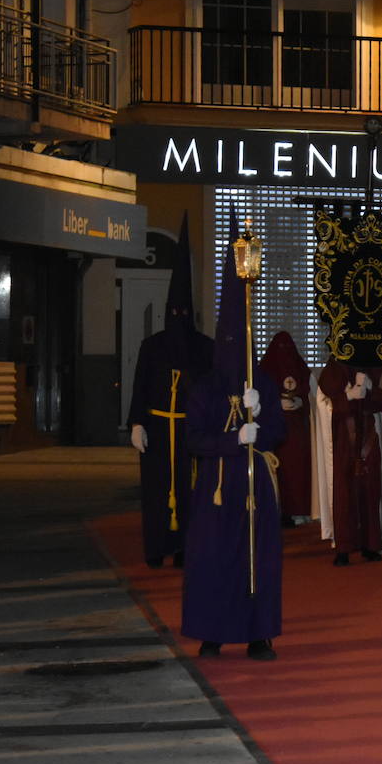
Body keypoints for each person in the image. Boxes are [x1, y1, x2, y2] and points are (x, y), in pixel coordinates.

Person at [181, 214, 285, 661]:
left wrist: (261, 417)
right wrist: (233, 438)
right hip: (217, 488)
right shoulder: (203, 387)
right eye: (225, 342)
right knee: (213, 557)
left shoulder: (260, 379)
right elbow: (195, 439)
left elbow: (279, 434)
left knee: (256, 556)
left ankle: (258, 632)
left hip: (255, 486)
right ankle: (213, 630)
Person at [128, 215, 214, 567]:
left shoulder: (204, 348)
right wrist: (136, 423)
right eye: (173, 311)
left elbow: (211, 388)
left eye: (183, 311)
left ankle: (184, 548)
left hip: (190, 433)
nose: (177, 316)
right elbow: (141, 386)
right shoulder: (153, 346)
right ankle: (157, 547)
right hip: (159, 430)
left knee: (189, 491)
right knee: (157, 490)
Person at [317, 359, 382, 566]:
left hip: (368, 437)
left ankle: (370, 544)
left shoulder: (371, 365)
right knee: (343, 493)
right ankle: (344, 548)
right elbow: (325, 404)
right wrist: (348, 396)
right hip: (343, 440)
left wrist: (371, 389)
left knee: (370, 491)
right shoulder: (333, 369)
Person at [259, 331, 312, 524]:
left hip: (298, 431)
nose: (285, 352)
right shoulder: (265, 369)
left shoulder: (300, 367)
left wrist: (300, 402)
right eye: (281, 348)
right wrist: (276, 404)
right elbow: (259, 397)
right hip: (275, 432)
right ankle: (279, 511)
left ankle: (300, 509)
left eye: (287, 348)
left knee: (299, 471)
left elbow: (310, 394)